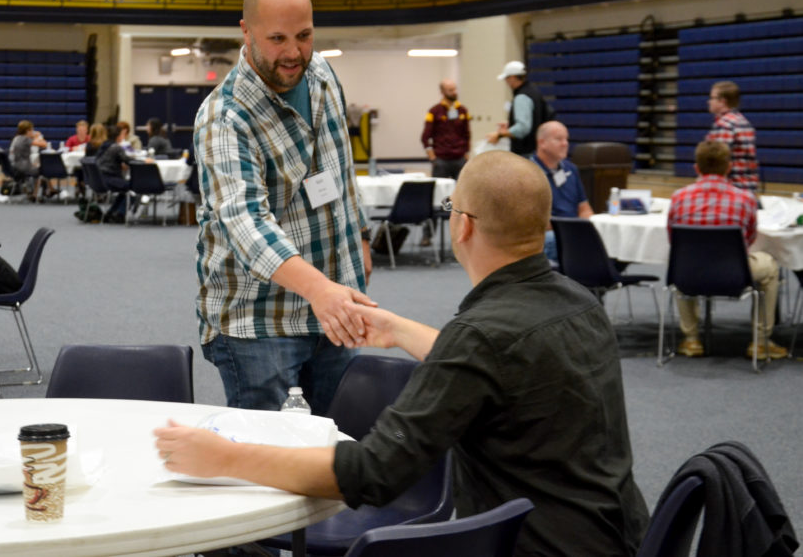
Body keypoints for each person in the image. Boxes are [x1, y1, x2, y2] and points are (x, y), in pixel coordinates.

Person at [156, 151, 649, 556]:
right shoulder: (578, 303)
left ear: (464, 227)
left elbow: (372, 474)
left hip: (532, 547)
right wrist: (396, 329)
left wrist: (227, 458)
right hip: (617, 534)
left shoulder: (479, 334)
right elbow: (505, 369)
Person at [193, 0, 374, 416]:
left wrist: (362, 237)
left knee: (338, 449)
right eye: (277, 39)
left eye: (305, 35)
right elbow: (246, 224)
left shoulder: (323, 74)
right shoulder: (224, 117)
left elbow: (341, 167)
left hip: (335, 309)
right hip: (260, 323)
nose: (294, 53)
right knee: (271, 464)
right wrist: (321, 290)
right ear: (246, 31)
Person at [667, 140, 782, 360]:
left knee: (682, 261)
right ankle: (760, 342)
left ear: (696, 168)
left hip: (689, 273)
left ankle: (691, 340)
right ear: (729, 167)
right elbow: (748, 240)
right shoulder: (746, 199)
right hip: (734, 273)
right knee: (769, 267)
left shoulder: (678, 197)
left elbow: (674, 240)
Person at [530, 121, 592, 261]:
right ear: (542, 143)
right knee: (558, 241)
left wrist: (587, 227)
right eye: (559, 139)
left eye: (566, 139)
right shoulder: (528, 172)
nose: (565, 144)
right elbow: (535, 222)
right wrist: (571, 230)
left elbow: (585, 209)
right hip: (549, 233)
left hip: (574, 231)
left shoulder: (571, 170)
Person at [419, 78, 470, 246]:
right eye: (450, 90)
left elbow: (467, 135)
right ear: (442, 92)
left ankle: (463, 234)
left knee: (462, 198)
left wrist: (466, 155)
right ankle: (427, 235)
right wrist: (432, 157)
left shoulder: (463, 110)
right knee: (437, 198)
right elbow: (425, 137)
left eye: (455, 89)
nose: (454, 92)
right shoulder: (434, 111)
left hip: (459, 160)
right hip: (441, 160)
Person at [487, 60, 552, 156]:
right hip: (536, 150)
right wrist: (511, 124)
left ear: (513, 77)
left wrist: (499, 135)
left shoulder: (521, 97)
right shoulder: (534, 92)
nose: (506, 82)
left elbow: (523, 128)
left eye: (507, 78)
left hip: (525, 152)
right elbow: (535, 118)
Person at [705, 81, 758, 192]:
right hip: (748, 187)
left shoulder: (724, 125)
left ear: (722, 101)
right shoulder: (743, 121)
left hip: (730, 188)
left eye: (712, 98)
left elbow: (717, 161)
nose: (708, 101)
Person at [8, 120, 51, 199]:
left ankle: (49, 189)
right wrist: (39, 136)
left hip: (15, 166)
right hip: (23, 167)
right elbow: (44, 144)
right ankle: (35, 194)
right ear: (28, 131)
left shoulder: (17, 138)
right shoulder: (26, 139)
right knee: (42, 170)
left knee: (36, 166)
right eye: (32, 130)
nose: (33, 132)